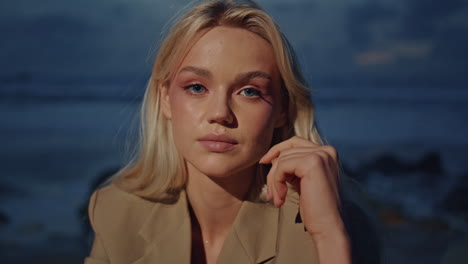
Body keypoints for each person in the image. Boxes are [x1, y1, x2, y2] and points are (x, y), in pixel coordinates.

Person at [84, 0, 355, 263]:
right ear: (165, 99)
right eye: (197, 87)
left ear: (282, 109)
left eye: (249, 91)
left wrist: (329, 235)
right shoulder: (116, 213)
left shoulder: (333, 222)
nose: (220, 113)